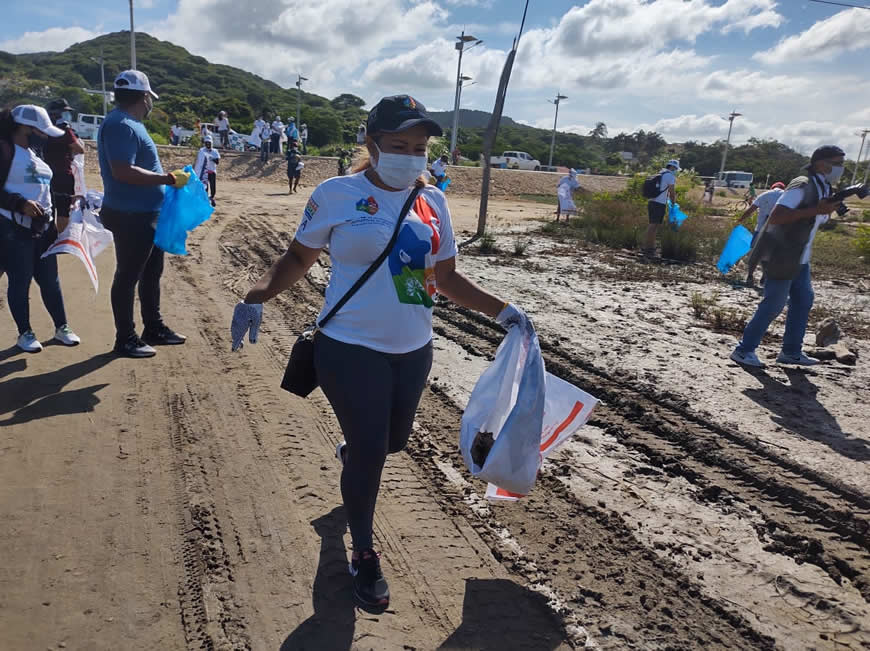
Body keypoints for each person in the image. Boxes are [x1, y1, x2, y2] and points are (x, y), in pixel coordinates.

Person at [230, 94, 527, 609]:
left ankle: (355, 457)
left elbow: (446, 278)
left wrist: (505, 312)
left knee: (391, 442)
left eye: (420, 147)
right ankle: (363, 553)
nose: (411, 156)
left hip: (413, 348)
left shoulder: (432, 202)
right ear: (372, 143)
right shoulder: (336, 194)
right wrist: (256, 295)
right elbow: (298, 257)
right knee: (371, 451)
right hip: (348, 345)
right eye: (399, 145)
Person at [97, 70, 190, 358]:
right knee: (128, 275)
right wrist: (167, 179)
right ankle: (125, 338)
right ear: (145, 97)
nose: (150, 103)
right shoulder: (121, 124)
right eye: (150, 98)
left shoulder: (129, 123)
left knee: (151, 273)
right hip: (131, 214)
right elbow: (123, 171)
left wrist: (165, 181)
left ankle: (154, 327)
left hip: (146, 212)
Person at [731, 146, 844, 368]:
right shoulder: (802, 185)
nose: (841, 168)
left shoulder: (823, 186)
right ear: (821, 163)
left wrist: (827, 209)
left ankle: (791, 352)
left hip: (800, 258)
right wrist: (815, 210)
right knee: (774, 304)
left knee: (803, 301)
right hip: (781, 255)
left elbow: (816, 218)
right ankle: (743, 351)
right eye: (838, 163)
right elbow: (776, 216)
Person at [0, 105, 80, 352]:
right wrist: (19, 204)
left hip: (42, 227)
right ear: (24, 128)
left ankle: (62, 327)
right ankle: (25, 333)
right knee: (20, 280)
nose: (45, 136)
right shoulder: (4, 150)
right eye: (42, 131)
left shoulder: (34, 153)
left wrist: (67, 202)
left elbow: (43, 189)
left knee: (50, 280)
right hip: (12, 227)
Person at [43, 98, 85, 233]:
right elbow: (79, 149)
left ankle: (47, 236)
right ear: (56, 114)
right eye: (64, 112)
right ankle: (60, 239)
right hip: (63, 174)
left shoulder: (41, 129)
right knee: (63, 209)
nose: (67, 115)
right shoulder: (64, 130)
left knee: (47, 207)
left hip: (44, 174)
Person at [738, 181, 786, 285]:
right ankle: (764, 277)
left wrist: (740, 219)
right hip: (776, 232)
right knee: (769, 256)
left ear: (772, 187)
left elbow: (751, 209)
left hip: (760, 230)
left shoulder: (764, 194)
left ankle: (750, 276)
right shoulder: (786, 196)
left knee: (755, 254)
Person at [644, 159, 678, 256]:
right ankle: (648, 247)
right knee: (653, 225)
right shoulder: (670, 176)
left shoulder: (661, 173)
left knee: (654, 225)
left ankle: (651, 246)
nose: (676, 170)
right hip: (659, 203)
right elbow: (672, 192)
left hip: (652, 201)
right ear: (673, 167)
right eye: (676, 168)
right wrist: (673, 203)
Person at [195, 135, 220, 207]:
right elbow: (198, 161)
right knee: (205, 186)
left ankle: (212, 197)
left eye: (209, 143)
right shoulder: (202, 151)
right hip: (204, 172)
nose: (208, 144)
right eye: (206, 143)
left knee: (213, 187)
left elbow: (217, 162)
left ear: (212, 143)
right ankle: (206, 200)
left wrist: (212, 159)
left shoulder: (215, 151)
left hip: (212, 171)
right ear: (205, 143)